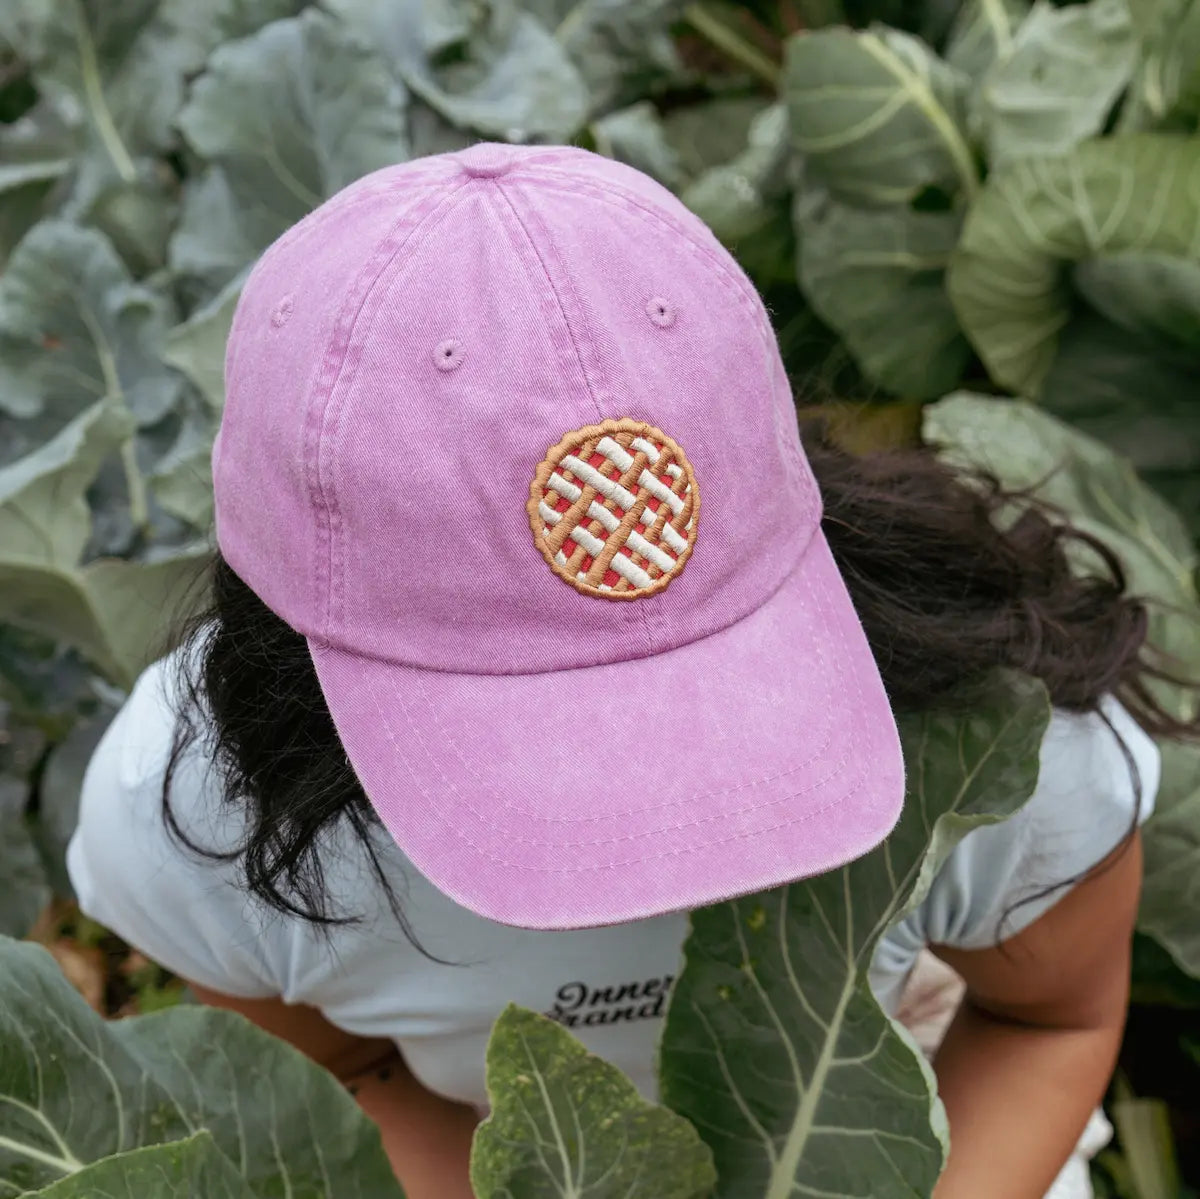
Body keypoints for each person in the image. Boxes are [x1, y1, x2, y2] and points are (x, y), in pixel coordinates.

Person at [68, 143, 1188, 1199]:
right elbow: (350, 1078)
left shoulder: (982, 713)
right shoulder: (202, 820)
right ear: (284, 646)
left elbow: (1052, 1020)